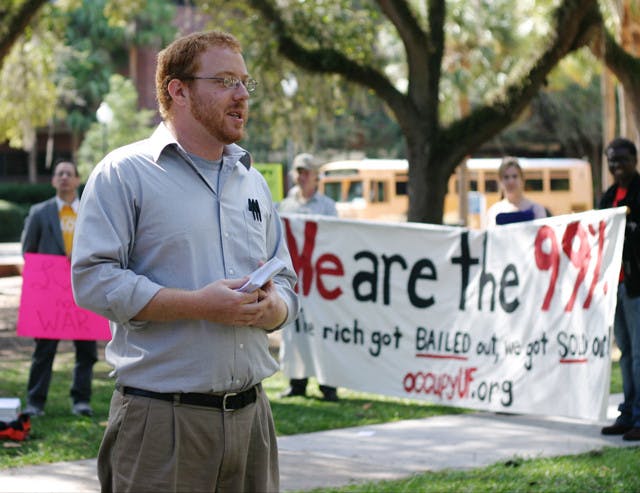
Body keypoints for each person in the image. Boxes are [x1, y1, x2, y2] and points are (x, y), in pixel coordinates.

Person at [71, 31, 298, 493]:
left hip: (254, 420)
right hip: (161, 424)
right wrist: (198, 304)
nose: (241, 95)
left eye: (244, 83)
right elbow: (92, 280)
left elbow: (288, 280)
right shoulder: (124, 173)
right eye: (225, 81)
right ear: (178, 90)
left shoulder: (252, 181)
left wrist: (276, 310)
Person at [22, 160, 97, 418]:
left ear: (77, 180)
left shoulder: (91, 212)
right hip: (50, 295)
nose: (64, 177)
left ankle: (81, 401)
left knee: (86, 352)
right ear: (54, 181)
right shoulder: (39, 213)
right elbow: (28, 251)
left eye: (69, 173)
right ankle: (35, 402)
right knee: (44, 350)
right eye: (59, 174)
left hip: (83, 291)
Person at [278, 153, 339, 401]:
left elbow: (334, 239)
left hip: (320, 279)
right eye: (299, 172)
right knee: (294, 331)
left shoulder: (327, 206)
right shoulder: (285, 205)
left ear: (316, 177)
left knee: (321, 331)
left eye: (307, 173)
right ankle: (297, 382)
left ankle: (328, 385)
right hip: (295, 279)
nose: (302, 177)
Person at [600, 137, 640, 441]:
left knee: (639, 353)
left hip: (637, 283)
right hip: (615, 285)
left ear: (634, 160)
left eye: (622, 159)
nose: (617, 166)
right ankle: (627, 413)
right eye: (612, 160)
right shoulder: (608, 196)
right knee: (624, 351)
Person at [485, 157, 547, 226]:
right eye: (506, 177)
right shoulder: (493, 212)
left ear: (522, 180)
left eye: (515, 176)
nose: (511, 181)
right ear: (500, 181)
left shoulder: (537, 209)